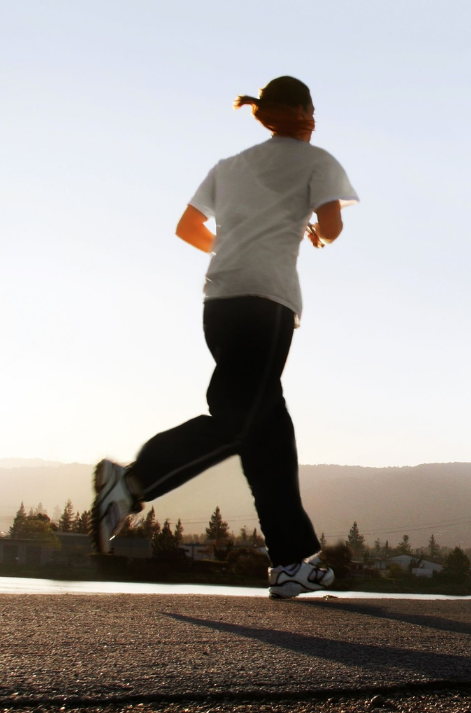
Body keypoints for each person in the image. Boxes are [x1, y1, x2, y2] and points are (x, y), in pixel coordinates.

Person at [91, 76, 358, 599]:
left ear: (265, 114)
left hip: (220, 303)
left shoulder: (229, 166)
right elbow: (332, 228)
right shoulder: (317, 160)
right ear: (307, 114)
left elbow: (188, 228)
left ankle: (290, 563)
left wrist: (233, 248)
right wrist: (311, 233)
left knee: (269, 433)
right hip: (268, 303)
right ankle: (132, 483)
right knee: (239, 422)